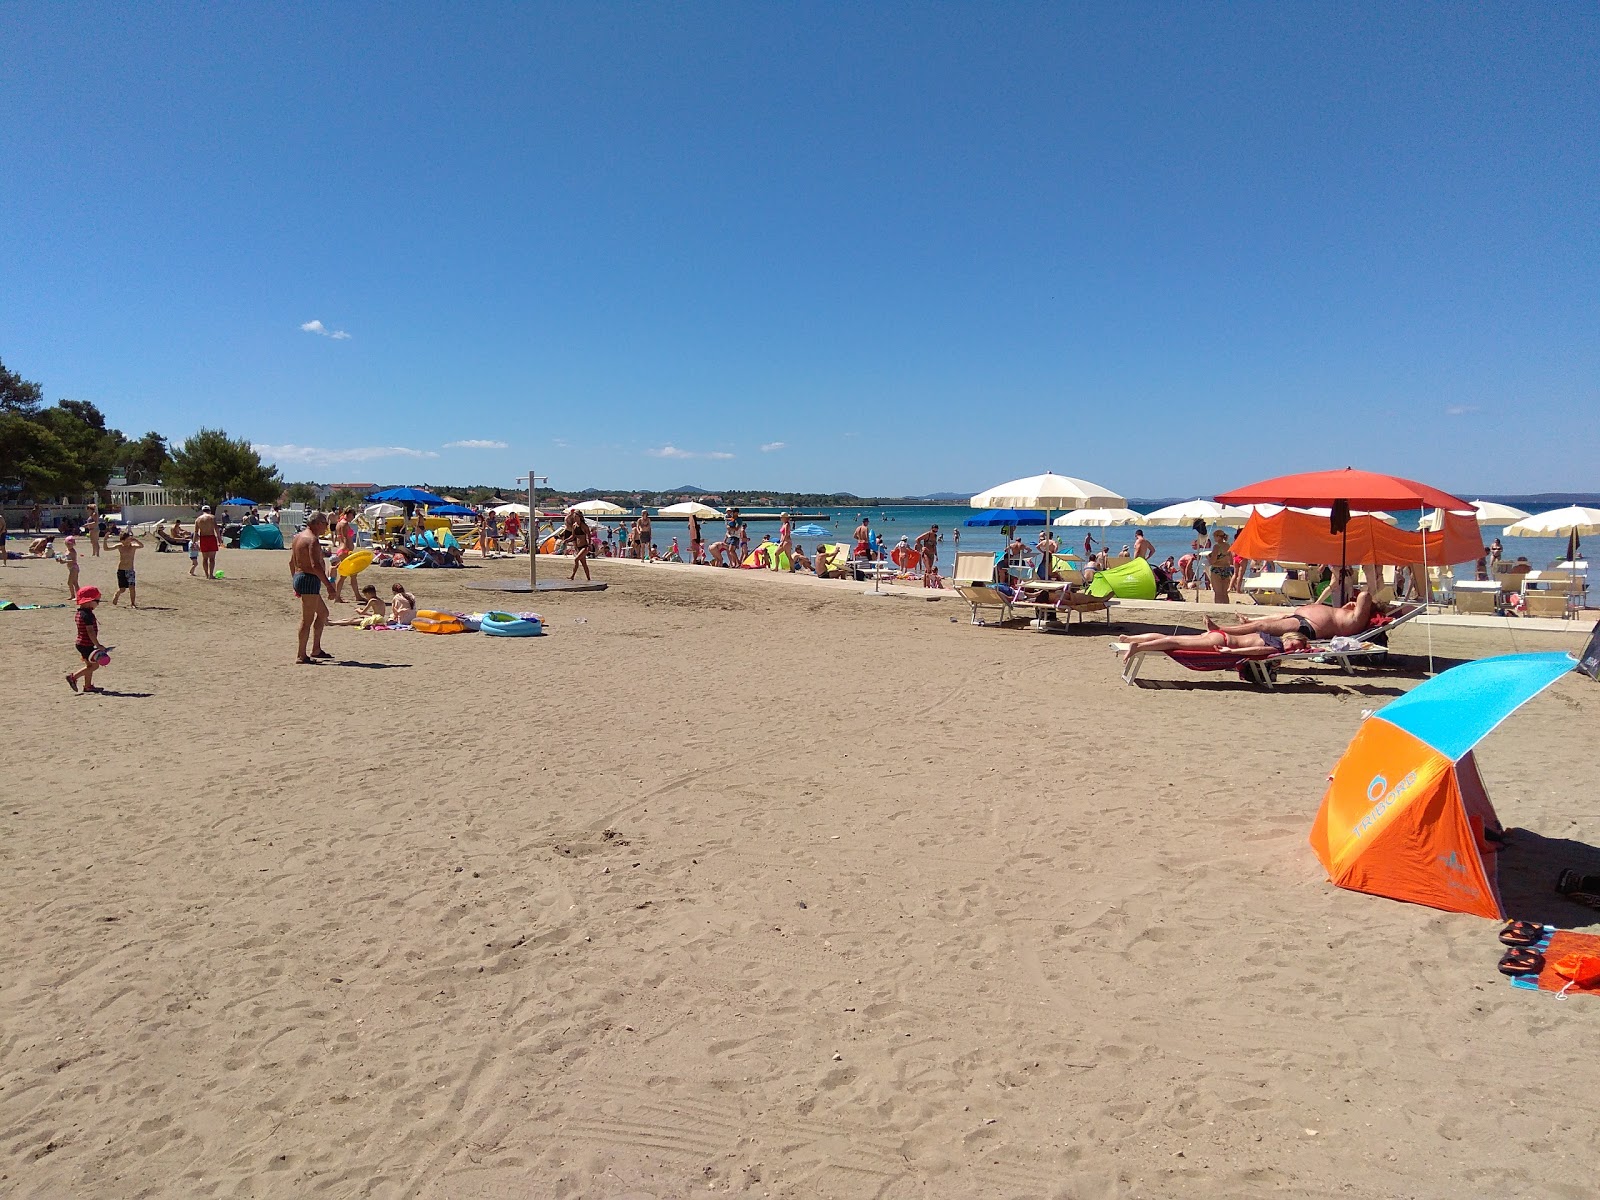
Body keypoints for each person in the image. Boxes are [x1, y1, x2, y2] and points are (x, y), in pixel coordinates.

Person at [1207, 590, 1386, 641]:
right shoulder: (1351, 615)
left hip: (1309, 626)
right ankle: (1235, 626)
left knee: (1262, 627)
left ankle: (1222, 630)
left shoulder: (1357, 620)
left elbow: (1365, 595)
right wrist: (1349, 605)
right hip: (1304, 619)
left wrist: (1365, 604)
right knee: (1275, 619)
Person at [289, 510, 341, 663]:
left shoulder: (298, 537)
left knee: (323, 613)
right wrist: (329, 586)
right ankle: (301, 655)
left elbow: (291, 562)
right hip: (308, 579)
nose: (327, 527)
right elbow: (315, 566)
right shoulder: (312, 540)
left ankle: (316, 649)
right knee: (307, 619)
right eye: (325, 524)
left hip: (300, 577)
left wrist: (295, 581)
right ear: (317, 524)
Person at [1117, 626, 1310, 665]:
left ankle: (1132, 639)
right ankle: (1137, 646)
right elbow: (1258, 650)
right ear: (1290, 636)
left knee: (1171, 638)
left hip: (1220, 636)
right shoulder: (1275, 645)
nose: (1295, 649)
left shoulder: (1271, 636)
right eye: (1295, 644)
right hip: (1222, 642)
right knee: (1174, 642)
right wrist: (1233, 651)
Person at [66, 586, 107, 693]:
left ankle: (88, 686)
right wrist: (98, 645)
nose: (98, 604)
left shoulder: (80, 612)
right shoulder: (87, 615)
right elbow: (90, 632)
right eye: (97, 601)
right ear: (89, 601)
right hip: (86, 644)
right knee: (95, 665)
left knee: (89, 665)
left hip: (81, 643)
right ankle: (73, 677)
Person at [110, 529, 144, 607]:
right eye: (127, 540)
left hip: (130, 570)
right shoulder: (120, 546)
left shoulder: (133, 547)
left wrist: (136, 540)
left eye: (130, 539)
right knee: (122, 589)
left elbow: (142, 546)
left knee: (132, 587)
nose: (129, 541)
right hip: (121, 570)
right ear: (123, 540)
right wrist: (105, 540)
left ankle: (132, 603)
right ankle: (117, 594)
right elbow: (106, 549)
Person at [330, 508, 358, 600]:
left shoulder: (339, 522)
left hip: (341, 549)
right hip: (345, 550)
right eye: (352, 516)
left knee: (353, 574)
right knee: (344, 575)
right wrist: (349, 550)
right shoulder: (344, 524)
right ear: (349, 514)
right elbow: (346, 538)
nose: (352, 519)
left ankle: (357, 596)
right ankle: (337, 597)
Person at [1207, 530, 1233, 604]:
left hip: (1217, 569)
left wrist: (1208, 558)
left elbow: (1212, 561)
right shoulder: (1228, 545)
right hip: (1226, 569)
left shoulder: (1217, 546)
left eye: (1214, 536)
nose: (1214, 538)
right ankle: (1226, 607)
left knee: (1218, 592)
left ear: (1218, 537)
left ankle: (1219, 608)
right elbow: (1230, 559)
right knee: (1224, 592)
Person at [194, 505, 221, 579]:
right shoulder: (212, 517)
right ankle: (211, 575)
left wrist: (193, 542)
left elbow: (196, 532)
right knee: (212, 558)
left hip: (203, 538)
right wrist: (219, 538)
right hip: (211, 537)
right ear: (209, 510)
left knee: (204, 558)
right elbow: (216, 528)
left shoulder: (198, 519)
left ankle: (206, 575)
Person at [569, 510, 592, 581]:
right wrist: (566, 540)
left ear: (580, 517)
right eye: (574, 517)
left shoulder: (584, 526)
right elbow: (573, 536)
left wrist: (589, 545)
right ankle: (588, 578)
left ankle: (572, 576)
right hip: (578, 547)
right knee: (584, 564)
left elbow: (589, 536)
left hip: (585, 546)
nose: (575, 518)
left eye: (576, 517)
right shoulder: (574, 525)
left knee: (576, 560)